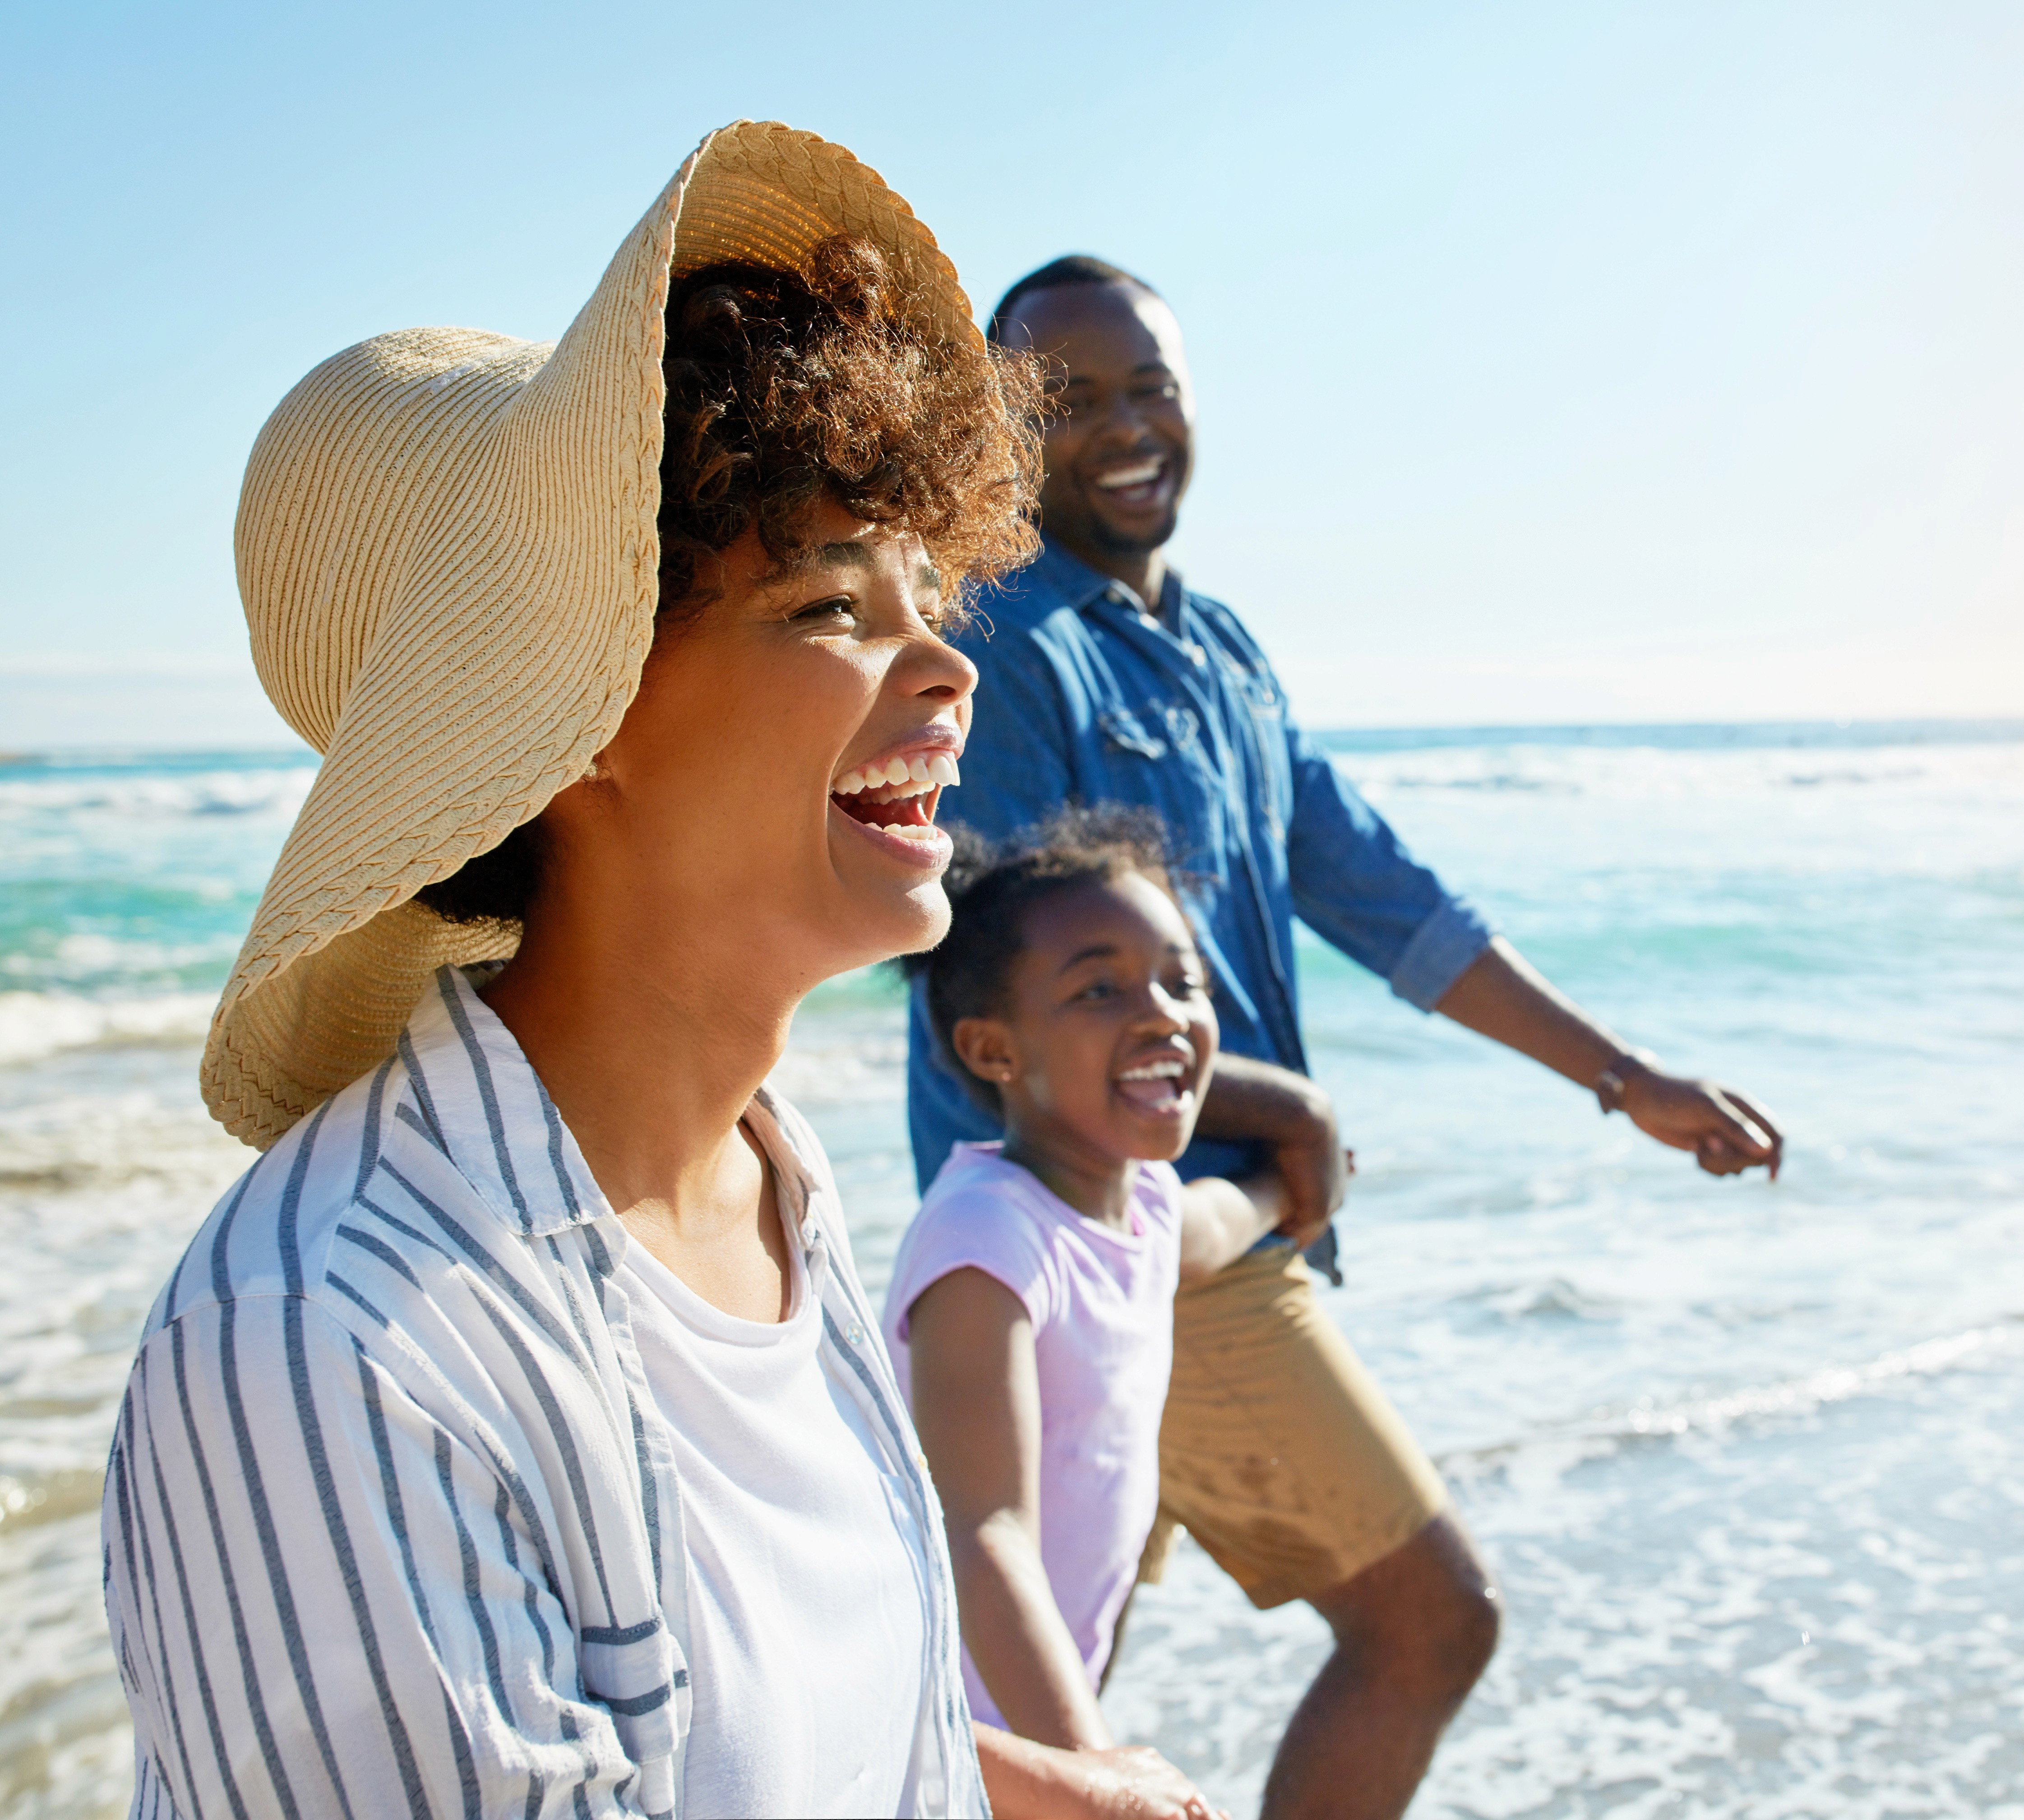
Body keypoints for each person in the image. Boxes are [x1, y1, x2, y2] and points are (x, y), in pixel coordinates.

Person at [99, 126, 1215, 1820]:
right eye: (831, 605)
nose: (944, 664)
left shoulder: (771, 1188)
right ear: (573, 720)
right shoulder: (331, 1341)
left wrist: (1020, 1786)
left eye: (931, 590)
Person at [906, 254, 1788, 1820]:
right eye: (1073, 397)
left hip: (1214, 1220)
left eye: (1153, 385)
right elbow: (1021, 995)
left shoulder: (1227, 650)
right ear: (1001, 430)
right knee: (1428, 1616)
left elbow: (1381, 892)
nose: (1126, 424)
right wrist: (1292, 1111)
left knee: (1051, 1677)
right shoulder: (1008, 649)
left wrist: (1619, 1075)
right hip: (1120, 1237)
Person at [883, 808, 1281, 1761]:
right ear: (993, 1051)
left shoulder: (1135, 1201)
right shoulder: (988, 1240)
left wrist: (1284, 1187)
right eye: (1099, 988)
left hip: (1035, 1704)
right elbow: (986, 1532)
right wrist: (1090, 1771)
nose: (1163, 1012)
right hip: (953, 1736)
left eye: (1181, 979)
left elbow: (1205, 1229)